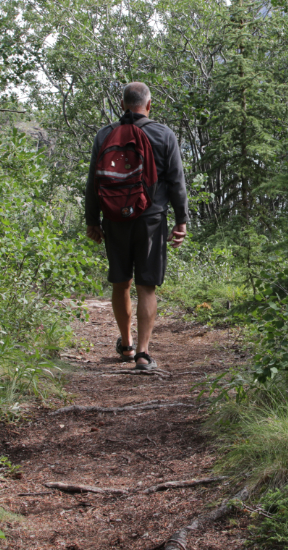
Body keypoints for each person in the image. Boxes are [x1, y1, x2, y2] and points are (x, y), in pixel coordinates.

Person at [84, 82, 188, 370]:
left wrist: (92, 220)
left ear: (122, 104)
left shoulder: (105, 135)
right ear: (149, 105)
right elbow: (177, 182)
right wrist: (181, 221)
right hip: (151, 220)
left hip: (115, 219)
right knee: (146, 286)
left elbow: (93, 181)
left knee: (121, 282)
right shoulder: (162, 134)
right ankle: (143, 353)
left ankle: (126, 344)